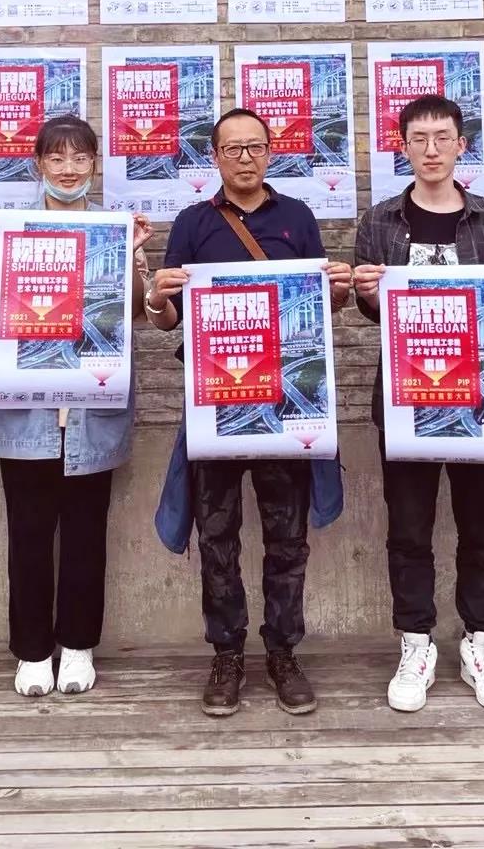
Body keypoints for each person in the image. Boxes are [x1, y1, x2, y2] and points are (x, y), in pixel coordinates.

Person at [147, 107, 352, 717]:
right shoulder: (192, 222)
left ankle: (284, 652)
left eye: (255, 147)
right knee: (216, 535)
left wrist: (338, 294)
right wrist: (157, 300)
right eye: (232, 148)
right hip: (215, 400)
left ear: (270, 152)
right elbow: (169, 318)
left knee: (287, 536)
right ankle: (227, 653)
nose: (244, 157)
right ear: (214, 157)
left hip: (285, 400)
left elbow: (318, 308)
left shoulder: (298, 217)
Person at [352, 95, 484, 714]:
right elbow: (371, 310)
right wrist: (367, 291)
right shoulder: (380, 221)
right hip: (406, 397)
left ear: (462, 146)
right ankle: (415, 644)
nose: (431, 149)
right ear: (403, 147)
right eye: (419, 138)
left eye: (443, 137)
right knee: (409, 529)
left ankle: (480, 642)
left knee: (481, 528)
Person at [0, 115, 151, 698]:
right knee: (27, 534)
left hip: (91, 408)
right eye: (56, 158)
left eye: (80, 158)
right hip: (25, 412)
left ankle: (77, 646)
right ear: (38, 165)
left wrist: (133, 256)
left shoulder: (112, 229)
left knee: (85, 534)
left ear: (95, 165)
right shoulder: (8, 230)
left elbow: (136, 313)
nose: (68, 169)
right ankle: (31, 651)